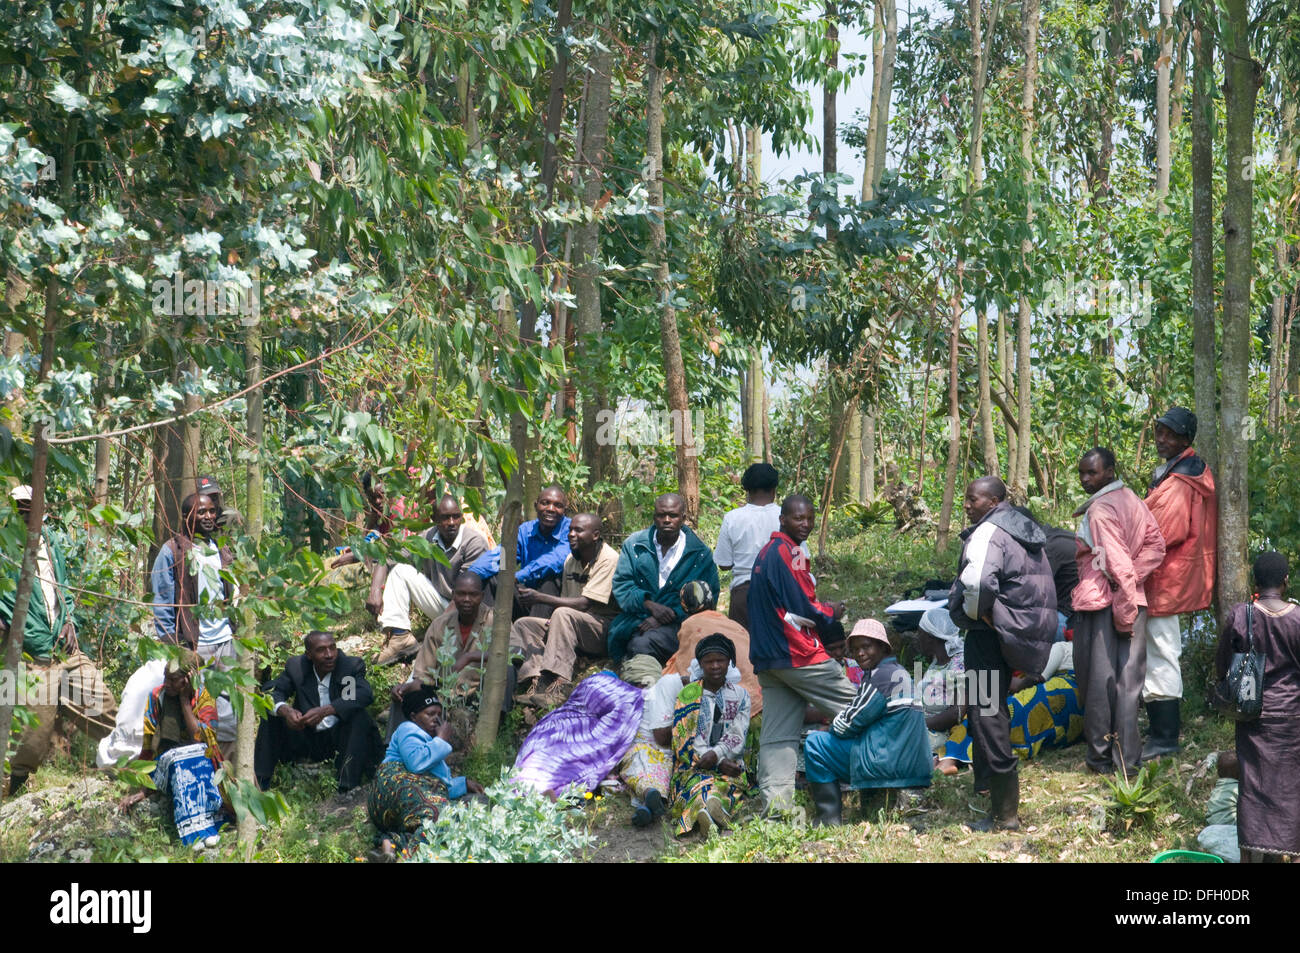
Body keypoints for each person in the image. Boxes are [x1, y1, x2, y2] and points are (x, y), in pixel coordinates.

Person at [947, 476, 1057, 831]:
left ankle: (1005, 815)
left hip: (987, 635)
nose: (966, 505)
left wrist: (978, 613)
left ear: (993, 502)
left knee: (987, 713)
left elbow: (977, 583)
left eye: (971, 499)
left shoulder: (988, 532)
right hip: (1018, 633)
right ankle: (984, 785)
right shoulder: (1023, 529)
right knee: (991, 711)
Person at [2, 484, 117, 796]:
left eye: (32, 505)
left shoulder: (51, 543)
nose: (26, 512)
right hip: (32, 657)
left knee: (104, 707)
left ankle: (127, 766)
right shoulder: (4, 548)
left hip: (65, 651)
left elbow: (63, 590)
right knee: (28, 738)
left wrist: (70, 620)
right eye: (20, 507)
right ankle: (12, 796)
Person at [747, 494, 854, 812]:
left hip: (770, 659)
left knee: (778, 735)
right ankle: (898, 778)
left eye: (809, 518)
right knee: (863, 709)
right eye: (798, 518)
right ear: (782, 519)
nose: (805, 524)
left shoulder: (766, 553)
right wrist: (831, 612)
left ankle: (776, 809)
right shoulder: (788, 553)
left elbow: (783, 609)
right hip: (798, 654)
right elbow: (803, 608)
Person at [1070, 447, 1166, 777]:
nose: (1085, 479)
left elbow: (1117, 565)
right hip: (1132, 600)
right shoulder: (1134, 501)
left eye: (1092, 473)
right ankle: (1127, 760)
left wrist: (1123, 609)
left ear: (1110, 471)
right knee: (1128, 684)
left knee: (1099, 683)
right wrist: (1132, 588)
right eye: (1082, 473)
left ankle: (1099, 759)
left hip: (1103, 604)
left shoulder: (1100, 510)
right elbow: (1156, 547)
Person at [1142, 407, 1217, 760]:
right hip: (1166, 576)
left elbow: (1162, 531)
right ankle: (1159, 731)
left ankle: (1165, 738)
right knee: (1158, 652)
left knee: (1161, 654)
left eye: (1169, 434)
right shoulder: (1178, 473)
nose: (1161, 439)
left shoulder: (1180, 481)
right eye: (1159, 431)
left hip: (1167, 578)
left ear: (1185, 440)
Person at [803, 620, 932, 825]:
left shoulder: (881, 677)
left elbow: (847, 725)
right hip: (910, 762)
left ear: (882, 646)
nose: (860, 653)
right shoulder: (898, 672)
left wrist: (830, 726)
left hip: (890, 762)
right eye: (855, 649)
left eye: (866, 647)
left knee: (815, 744)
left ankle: (828, 818)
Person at [1216, 552, 1300, 862]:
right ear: (1285, 581)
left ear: (1255, 582)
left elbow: (1223, 664)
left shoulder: (1241, 615)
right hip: (1292, 719)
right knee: (1291, 788)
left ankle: (1251, 857)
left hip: (1253, 717)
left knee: (1252, 787)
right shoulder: (1298, 618)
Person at [511, 513, 621, 706]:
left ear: (595, 535)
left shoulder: (609, 559)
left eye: (578, 530)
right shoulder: (571, 559)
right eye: (570, 530)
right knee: (524, 624)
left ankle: (559, 685)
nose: (571, 534)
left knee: (562, 613)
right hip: (572, 624)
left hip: (603, 629)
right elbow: (566, 601)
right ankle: (537, 681)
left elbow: (584, 604)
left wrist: (539, 597)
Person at [370, 494, 491, 666]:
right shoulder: (427, 538)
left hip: (467, 611)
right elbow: (388, 558)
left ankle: (447, 638)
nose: (451, 522)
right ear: (434, 519)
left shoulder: (473, 543)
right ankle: (400, 637)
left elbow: (466, 595)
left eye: (456, 516)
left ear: (462, 517)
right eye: (445, 517)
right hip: (442, 605)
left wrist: (435, 634)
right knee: (401, 570)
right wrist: (375, 591)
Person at [255, 630, 381, 793]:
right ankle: (260, 782)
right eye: (321, 650)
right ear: (309, 654)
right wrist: (286, 711)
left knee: (359, 716)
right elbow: (272, 691)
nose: (329, 655)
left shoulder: (347, 667)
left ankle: (347, 785)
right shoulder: (297, 668)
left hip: (339, 740)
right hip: (306, 736)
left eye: (332, 648)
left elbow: (360, 696)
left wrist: (325, 711)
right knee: (272, 715)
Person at [368, 687, 484, 860]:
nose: (436, 720)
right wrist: (441, 740)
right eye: (430, 714)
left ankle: (390, 844)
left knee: (444, 814)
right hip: (393, 785)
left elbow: (436, 787)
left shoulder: (431, 747)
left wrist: (463, 783)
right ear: (414, 716)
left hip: (399, 806)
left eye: (439, 714)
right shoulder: (408, 728)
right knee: (443, 815)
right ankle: (408, 856)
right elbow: (416, 762)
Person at [937, 640, 1083, 775]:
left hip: (1053, 693)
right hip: (1076, 712)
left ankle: (949, 760)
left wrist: (986, 679)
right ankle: (964, 757)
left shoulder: (1061, 647)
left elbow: (1034, 679)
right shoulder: (1091, 654)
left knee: (988, 714)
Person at [389, 571, 506, 737]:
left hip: (479, 694)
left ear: (481, 596)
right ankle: (393, 752)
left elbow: (512, 656)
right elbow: (424, 676)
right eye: (461, 594)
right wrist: (404, 688)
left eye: (472, 595)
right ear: (453, 595)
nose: (466, 599)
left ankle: (494, 735)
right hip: (444, 695)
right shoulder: (439, 625)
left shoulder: (496, 621)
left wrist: (470, 657)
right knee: (402, 698)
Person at [607, 493, 719, 664]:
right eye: (661, 515)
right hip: (637, 618)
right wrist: (649, 605)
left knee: (642, 644)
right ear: (654, 517)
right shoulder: (635, 545)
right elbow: (622, 584)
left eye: (673, 515)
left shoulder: (699, 553)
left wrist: (669, 613)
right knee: (630, 641)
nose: (667, 520)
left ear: (683, 518)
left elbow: (709, 595)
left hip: (682, 624)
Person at [664, 634, 751, 836]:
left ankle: (711, 810)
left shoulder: (740, 695)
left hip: (730, 762)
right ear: (700, 664)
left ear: (730, 662)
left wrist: (719, 755)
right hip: (694, 764)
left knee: (726, 785)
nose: (715, 666)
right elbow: (684, 738)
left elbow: (738, 733)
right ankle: (709, 814)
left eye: (720, 660)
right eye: (708, 661)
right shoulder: (688, 695)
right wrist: (715, 761)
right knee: (699, 786)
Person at [138, 653, 226, 850]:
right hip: (167, 761)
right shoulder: (157, 696)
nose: (167, 683)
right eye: (165, 678)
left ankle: (209, 827)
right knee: (181, 761)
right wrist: (143, 787)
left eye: (173, 680)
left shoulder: (204, 697)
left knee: (197, 755)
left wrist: (185, 700)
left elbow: (200, 737)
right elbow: (148, 740)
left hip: (201, 758)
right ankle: (193, 834)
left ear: (188, 679)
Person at [513, 671, 644, 796]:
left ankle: (526, 784)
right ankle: (537, 788)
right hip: (568, 735)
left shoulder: (558, 712)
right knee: (561, 761)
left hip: (546, 732)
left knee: (535, 760)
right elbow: (625, 703)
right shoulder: (602, 685)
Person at [468, 485, 572, 619]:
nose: (550, 509)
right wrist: (471, 576)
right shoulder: (525, 530)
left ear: (565, 510)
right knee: (492, 578)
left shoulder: (571, 529)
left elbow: (554, 561)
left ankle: (535, 635)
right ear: (536, 506)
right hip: (526, 596)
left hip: (556, 600)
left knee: (549, 580)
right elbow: (502, 555)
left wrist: (518, 576)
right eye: (545, 503)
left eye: (557, 505)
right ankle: (486, 629)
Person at [663, 580, 765, 711]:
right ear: (712, 601)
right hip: (759, 694)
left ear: (684, 606)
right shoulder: (731, 623)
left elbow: (685, 663)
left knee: (670, 675)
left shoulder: (691, 625)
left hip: (731, 701)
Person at [714, 463, 781, 629]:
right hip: (780, 590)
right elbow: (801, 560)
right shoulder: (786, 515)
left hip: (744, 594)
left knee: (743, 647)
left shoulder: (732, 518)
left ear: (747, 491)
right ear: (774, 490)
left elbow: (724, 564)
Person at [617, 657, 677, 828]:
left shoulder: (663, 699)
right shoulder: (627, 703)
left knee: (643, 773)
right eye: (637, 685)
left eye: (644, 685)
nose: (641, 690)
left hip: (655, 754)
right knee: (645, 771)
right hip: (649, 754)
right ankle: (649, 804)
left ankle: (648, 798)